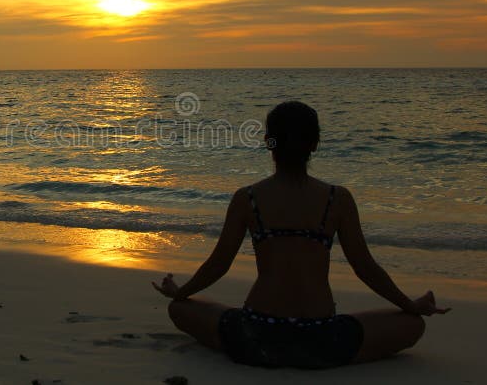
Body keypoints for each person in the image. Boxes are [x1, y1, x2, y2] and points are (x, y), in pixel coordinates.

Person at [152, 101, 450, 369]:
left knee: (179, 309)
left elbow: (219, 264)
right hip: (321, 338)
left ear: (269, 143)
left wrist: (181, 292)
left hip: (256, 336)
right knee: (412, 325)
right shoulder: (337, 199)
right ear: (315, 144)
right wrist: (409, 306)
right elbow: (365, 268)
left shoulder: (248, 198)